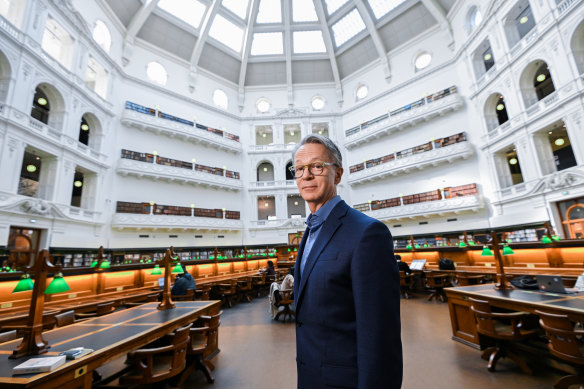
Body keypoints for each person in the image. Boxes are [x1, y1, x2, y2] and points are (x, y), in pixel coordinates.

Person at [292, 134, 402, 389]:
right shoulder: (309, 231)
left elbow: (380, 336)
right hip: (312, 376)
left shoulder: (367, 233)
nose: (306, 175)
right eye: (299, 169)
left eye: (316, 166)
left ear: (338, 175)